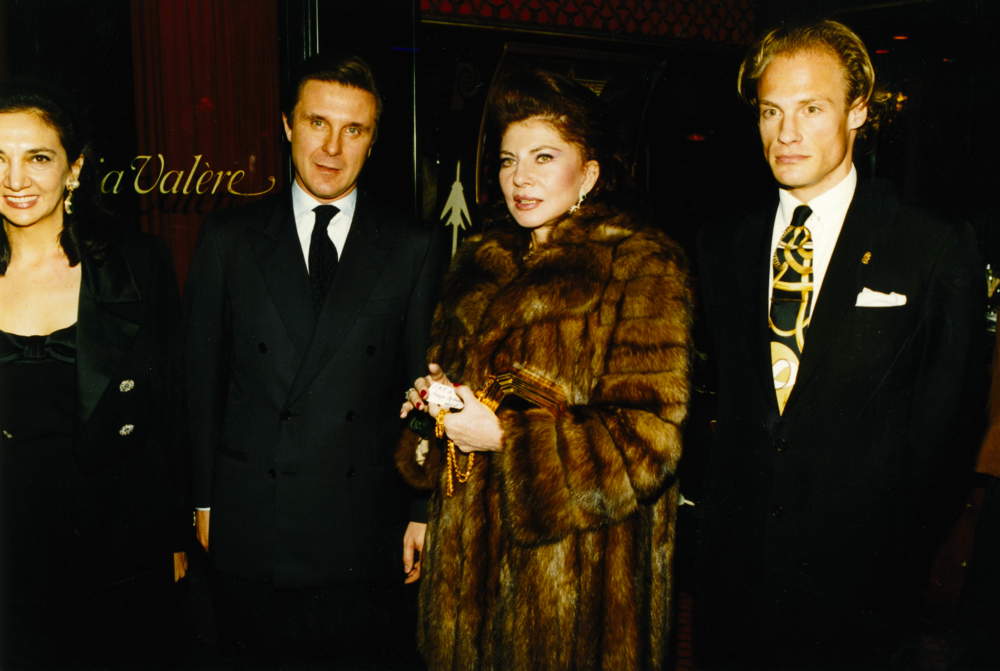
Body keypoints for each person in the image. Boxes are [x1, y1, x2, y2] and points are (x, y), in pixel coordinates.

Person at [696, 19, 982, 669]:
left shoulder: (930, 245)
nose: (786, 133)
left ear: (858, 111)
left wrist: (899, 558)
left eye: (811, 109)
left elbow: (950, 427)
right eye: (771, 111)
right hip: (734, 584)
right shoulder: (723, 243)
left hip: (862, 595)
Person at [396, 69, 692, 671]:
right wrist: (430, 415)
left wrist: (505, 438)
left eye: (544, 157)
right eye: (509, 160)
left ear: (590, 172)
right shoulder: (479, 265)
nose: (520, 178)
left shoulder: (638, 265)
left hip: (578, 584)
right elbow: (449, 408)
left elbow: (650, 440)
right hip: (466, 575)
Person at [184, 53, 442, 669]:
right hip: (252, 517)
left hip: (364, 528)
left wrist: (420, 510)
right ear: (287, 125)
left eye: (353, 129)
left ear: (373, 141)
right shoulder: (229, 238)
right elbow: (199, 383)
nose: (332, 147)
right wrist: (202, 502)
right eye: (317, 122)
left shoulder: (413, 245)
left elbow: (425, 389)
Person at [0, 81, 188, 668]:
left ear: (74, 169)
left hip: (112, 541)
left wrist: (173, 536)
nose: (15, 179)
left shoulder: (139, 265)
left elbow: (170, 412)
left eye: (37, 157)